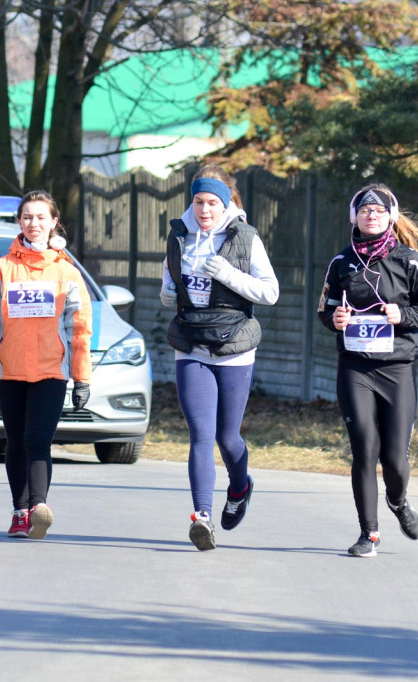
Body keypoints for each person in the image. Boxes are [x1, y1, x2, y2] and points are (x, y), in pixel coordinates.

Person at [160, 165, 279, 551]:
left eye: (212, 202)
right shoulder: (179, 235)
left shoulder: (245, 238)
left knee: (227, 437)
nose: (204, 210)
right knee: (200, 434)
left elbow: (270, 293)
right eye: (199, 201)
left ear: (225, 202)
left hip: (234, 347)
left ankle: (241, 487)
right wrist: (169, 291)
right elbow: (169, 281)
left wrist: (227, 273)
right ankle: (202, 517)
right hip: (191, 345)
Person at [317, 184, 418, 558]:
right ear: (354, 216)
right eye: (365, 209)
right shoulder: (341, 263)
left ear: (391, 216)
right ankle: (367, 534)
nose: (372, 214)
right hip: (355, 367)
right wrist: (334, 319)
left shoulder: (409, 261)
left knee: (395, 461)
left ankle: (399, 502)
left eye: (379, 209)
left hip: (397, 367)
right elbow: (326, 308)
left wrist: (402, 315)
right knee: (365, 451)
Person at [0, 190, 92, 540]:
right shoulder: (2, 269)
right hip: (8, 373)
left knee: (38, 440)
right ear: (19, 222)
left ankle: (39, 509)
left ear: (54, 221)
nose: (33, 223)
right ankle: (18, 511)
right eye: (27, 217)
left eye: (41, 217)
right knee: (17, 442)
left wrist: (82, 377)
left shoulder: (67, 272)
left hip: (51, 372)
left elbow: (80, 328)